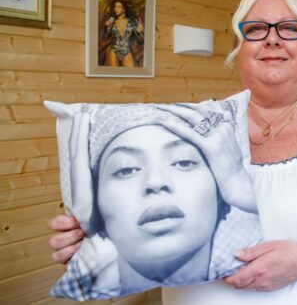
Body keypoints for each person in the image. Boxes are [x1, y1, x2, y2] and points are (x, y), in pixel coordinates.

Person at [49, 0, 297, 304]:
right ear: (238, 47)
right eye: (256, 29)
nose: (273, 38)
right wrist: (96, 238)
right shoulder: (191, 126)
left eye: (290, 28)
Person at [46, 98, 261, 299]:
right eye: (126, 169)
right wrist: (84, 240)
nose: (155, 182)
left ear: (220, 190)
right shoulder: (89, 264)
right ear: (97, 201)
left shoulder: (247, 206)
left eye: (183, 162)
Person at [100, 0, 144, 67]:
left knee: (131, 73)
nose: (116, 9)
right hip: (114, 51)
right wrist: (106, 27)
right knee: (113, 74)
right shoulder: (112, 22)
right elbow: (105, 38)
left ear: (124, 9)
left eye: (119, 7)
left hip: (126, 51)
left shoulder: (131, 22)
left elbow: (138, 40)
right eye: (115, 6)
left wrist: (139, 32)